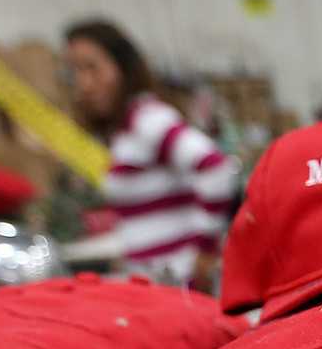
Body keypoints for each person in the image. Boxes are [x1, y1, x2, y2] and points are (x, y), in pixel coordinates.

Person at [64, 19, 238, 287]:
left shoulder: (148, 120)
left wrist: (204, 250)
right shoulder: (126, 130)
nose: (84, 83)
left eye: (93, 68)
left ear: (122, 67)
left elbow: (215, 167)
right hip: (158, 282)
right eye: (75, 71)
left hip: (180, 283)